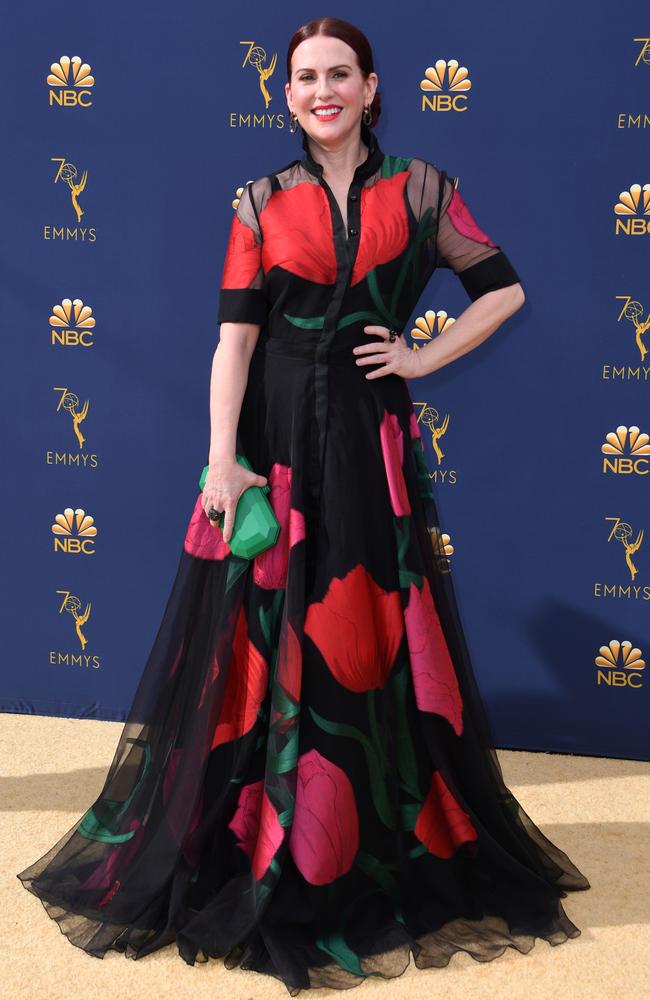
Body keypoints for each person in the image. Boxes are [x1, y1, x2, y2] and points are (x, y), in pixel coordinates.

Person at [17, 16, 590, 995]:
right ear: (285, 94)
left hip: (367, 436)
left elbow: (501, 290)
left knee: (363, 621)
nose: (319, 90)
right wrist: (217, 463)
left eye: (338, 74)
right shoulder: (258, 200)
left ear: (371, 87)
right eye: (302, 78)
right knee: (265, 627)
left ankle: (357, 826)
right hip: (272, 439)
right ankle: (265, 822)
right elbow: (234, 342)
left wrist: (418, 354)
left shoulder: (422, 190)